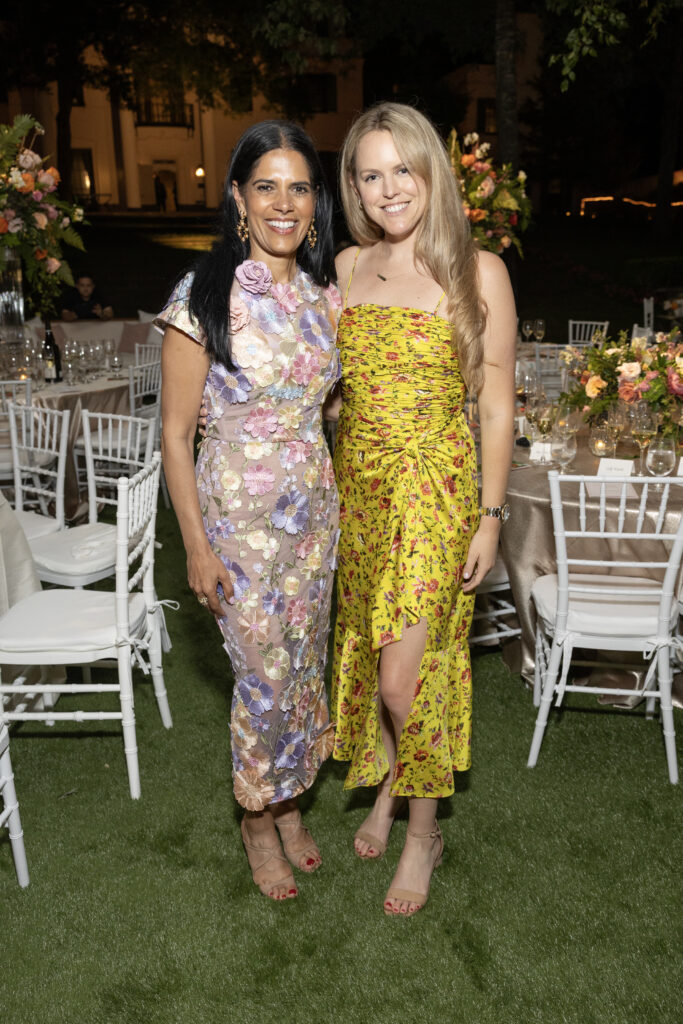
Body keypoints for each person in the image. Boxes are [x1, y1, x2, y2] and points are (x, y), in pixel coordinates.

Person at [328, 102, 516, 916]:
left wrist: (491, 514)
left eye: (401, 168)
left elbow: (499, 407)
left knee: (410, 679)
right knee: (375, 662)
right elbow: (335, 393)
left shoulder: (479, 273)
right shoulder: (344, 268)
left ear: (430, 171)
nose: (386, 188)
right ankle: (390, 790)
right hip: (358, 491)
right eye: (370, 174)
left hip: (435, 494)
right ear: (354, 187)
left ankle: (421, 834)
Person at [158, 121, 341, 902]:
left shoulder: (323, 295)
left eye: (298, 187)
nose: (282, 202)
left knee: (302, 669)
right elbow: (171, 434)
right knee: (262, 677)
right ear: (237, 196)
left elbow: (328, 411)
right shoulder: (201, 295)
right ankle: (256, 821)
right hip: (236, 525)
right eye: (265, 184)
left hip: (313, 522)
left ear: (313, 202)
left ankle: (292, 802)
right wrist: (196, 547)